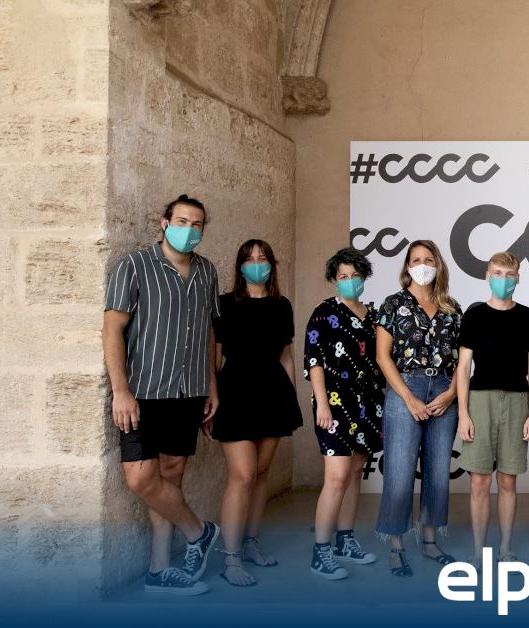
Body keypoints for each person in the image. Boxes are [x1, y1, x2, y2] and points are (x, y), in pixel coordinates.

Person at [102, 194, 221, 595]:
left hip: (188, 393)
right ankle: (199, 532)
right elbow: (112, 328)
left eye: (197, 224)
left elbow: (208, 332)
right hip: (142, 392)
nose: (190, 229)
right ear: (164, 222)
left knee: (172, 476)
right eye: (182, 221)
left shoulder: (206, 271)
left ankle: (159, 569)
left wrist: (211, 386)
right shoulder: (134, 266)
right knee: (141, 478)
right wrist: (121, 390)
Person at [212, 239, 303, 586]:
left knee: (262, 472)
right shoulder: (224, 304)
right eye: (249, 258)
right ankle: (230, 559)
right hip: (234, 393)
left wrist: (292, 398)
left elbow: (285, 355)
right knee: (243, 474)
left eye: (262, 258)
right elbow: (213, 356)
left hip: (273, 394)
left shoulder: (282, 305)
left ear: (271, 264)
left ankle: (250, 543)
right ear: (239, 266)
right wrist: (211, 397)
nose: (256, 263)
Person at [375, 240, 462, 577]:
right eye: (416, 260)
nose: (423, 265)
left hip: (443, 389)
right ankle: (396, 545)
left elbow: (462, 359)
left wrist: (451, 394)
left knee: (438, 471)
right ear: (407, 266)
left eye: (428, 259)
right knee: (399, 472)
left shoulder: (452, 308)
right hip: (405, 388)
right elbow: (383, 356)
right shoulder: (393, 304)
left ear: (438, 265)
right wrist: (408, 398)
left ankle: (429, 541)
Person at [456, 252, 529, 563]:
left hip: (517, 401)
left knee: (508, 480)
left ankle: (506, 548)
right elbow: (463, 367)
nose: (503, 280)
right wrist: (463, 412)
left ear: (518, 278)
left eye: (509, 274)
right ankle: (478, 551)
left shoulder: (528, 317)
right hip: (480, 401)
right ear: (487, 276)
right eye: (497, 273)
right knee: (479, 480)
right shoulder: (475, 316)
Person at [303, 247, 384, 579]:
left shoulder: (373, 315)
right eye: (343, 277)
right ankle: (320, 550)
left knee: (354, 472)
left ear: (364, 277)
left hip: (368, 403)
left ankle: (345, 540)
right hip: (334, 404)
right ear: (334, 281)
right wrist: (322, 404)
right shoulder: (323, 313)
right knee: (336, 476)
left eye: (355, 276)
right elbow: (314, 361)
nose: (350, 281)